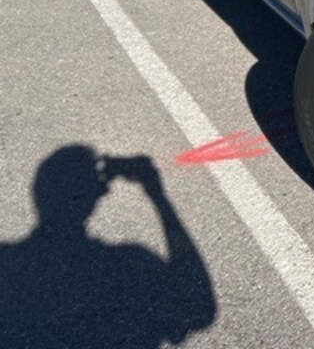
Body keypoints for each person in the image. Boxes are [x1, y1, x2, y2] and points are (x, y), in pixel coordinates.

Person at [0, 145, 216, 348]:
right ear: (98, 194)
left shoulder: (6, 264)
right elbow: (200, 310)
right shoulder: (130, 266)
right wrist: (158, 196)